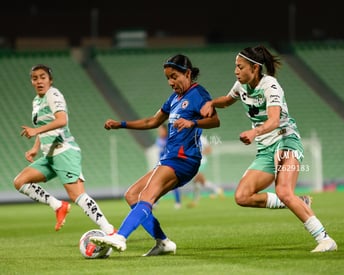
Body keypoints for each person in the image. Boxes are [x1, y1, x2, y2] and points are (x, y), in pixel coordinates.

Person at [201, 45, 337, 253]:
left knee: (283, 190)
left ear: (255, 68)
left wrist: (254, 132)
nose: (236, 71)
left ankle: (325, 239)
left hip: (286, 141)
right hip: (266, 149)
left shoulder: (270, 85)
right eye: (235, 67)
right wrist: (212, 103)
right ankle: (298, 202)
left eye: (240, 67)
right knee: (242, 196)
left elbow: (274, 120)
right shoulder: (240, 85)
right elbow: (228, 101)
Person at [90, 54, 220, 255]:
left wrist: (192, 122)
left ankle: (120, 237)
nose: (171, 82)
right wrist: (121, 124)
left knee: (146, 196)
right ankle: (163, 242)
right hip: (171, 158)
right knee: (132, 195)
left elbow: (214, 121)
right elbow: (152, 122)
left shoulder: (199, 94)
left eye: (174, 76)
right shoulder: (173, 99)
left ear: (187, 73)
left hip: (184, 159)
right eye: (168, 78)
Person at [14, 64, 115, 235]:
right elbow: (45, 125)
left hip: (64, 151)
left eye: (42, 77)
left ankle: (109, 230)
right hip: (49, 156)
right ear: (31, 81)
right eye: (35, 78)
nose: (39, 81)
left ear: (50, 80)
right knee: (20, 181)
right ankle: (58, 205)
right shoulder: (37, 101)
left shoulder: (53, 94)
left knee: (78, 196)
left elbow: (62, 120)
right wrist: (35, 148)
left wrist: (35, 131)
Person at [187, 134, 223, 208]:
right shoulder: (190, 138)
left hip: (202, 162)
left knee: (197, 179)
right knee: (198, 182)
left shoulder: (202, 138)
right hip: (194, 162)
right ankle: (217, 190)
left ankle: (196, 200)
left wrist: (200, 153)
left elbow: (209, 149)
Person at [156, 123, 182, 209]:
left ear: (165, 130)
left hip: (170, 163)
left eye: (161, 130)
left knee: (172, 183)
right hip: (161, 164)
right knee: (157, 184)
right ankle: (154, 202)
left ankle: (178, 202)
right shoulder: (158, 140)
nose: (159, 132)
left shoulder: (169, 139)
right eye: (158, 130)